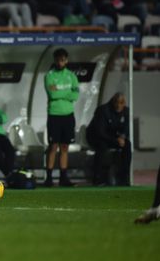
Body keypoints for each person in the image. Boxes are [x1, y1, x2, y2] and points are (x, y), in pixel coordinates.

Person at [44, 48, 79, 187]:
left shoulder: (71, 76)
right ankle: (49, 178)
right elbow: (53, 95)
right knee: (53, 146)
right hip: (54, 114)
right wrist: (66, 93)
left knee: (65, 147)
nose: (60, 62)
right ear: (55, 60)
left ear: (66, 60)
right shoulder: (49, 75)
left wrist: (60, 92)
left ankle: (63, 178)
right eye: (58, 60)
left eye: (63, 60)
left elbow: (75, 95)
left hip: (68, 115)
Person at [86, 93, 131, 186]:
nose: (119, 105)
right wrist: (116, 140)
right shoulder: (103, 110)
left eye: (121, 103)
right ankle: (97, 178)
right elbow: (100, 131)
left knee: (127, 145)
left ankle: (124, 178)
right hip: (97, 137)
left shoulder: (126, 111)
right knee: (102, 146)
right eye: (117, 102)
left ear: (124, 103)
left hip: (113, 137)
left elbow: (126, 128)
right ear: (113, 102)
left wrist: (122, 137)